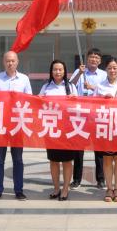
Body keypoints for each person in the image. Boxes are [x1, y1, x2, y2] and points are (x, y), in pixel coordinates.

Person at [0, 50, 32, 201]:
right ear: (3, 62)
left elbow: (29, 100)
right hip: (0, 124)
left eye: (13, 61)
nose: (10, 63)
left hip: (17, 125)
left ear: (17, 62)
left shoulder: (24, 79)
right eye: (7, 61)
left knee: (18, 160)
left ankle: (19, 190)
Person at [94, 56, 117, 203]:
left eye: (115, 67)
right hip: (105, 127)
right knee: (107, 159)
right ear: (105, 70)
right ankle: (109, 188)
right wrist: (103, 99)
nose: (112, 70)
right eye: (109, 68)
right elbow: (92, 105)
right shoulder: (99, 86)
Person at [39, 59, 77, 201]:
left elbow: (78, 107)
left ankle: (65, 189)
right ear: (51, 71)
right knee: (53, 160)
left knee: (67, 161)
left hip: (67, 129)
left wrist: (74, 99)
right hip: (51, 128)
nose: (58, 72)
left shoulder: (71, 87)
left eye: (60, 69)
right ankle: (56, 188)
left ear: (65, 71)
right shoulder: (46, 87)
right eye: (55, 69)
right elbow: (38, 105)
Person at [70, 47, 107, 189]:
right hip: (80, 114)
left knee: (99, 148)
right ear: (87, 59)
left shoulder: (104, 74)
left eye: (97, 57)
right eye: (91, 57)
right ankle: (77, 179)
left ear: (100, 61)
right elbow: (70, 86)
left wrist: (92, 88)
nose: (94, 59)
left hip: (97, 114)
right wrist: (79, 73)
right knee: (78, 149)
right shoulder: (79, 71)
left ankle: (101, 179)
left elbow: (106, 92)